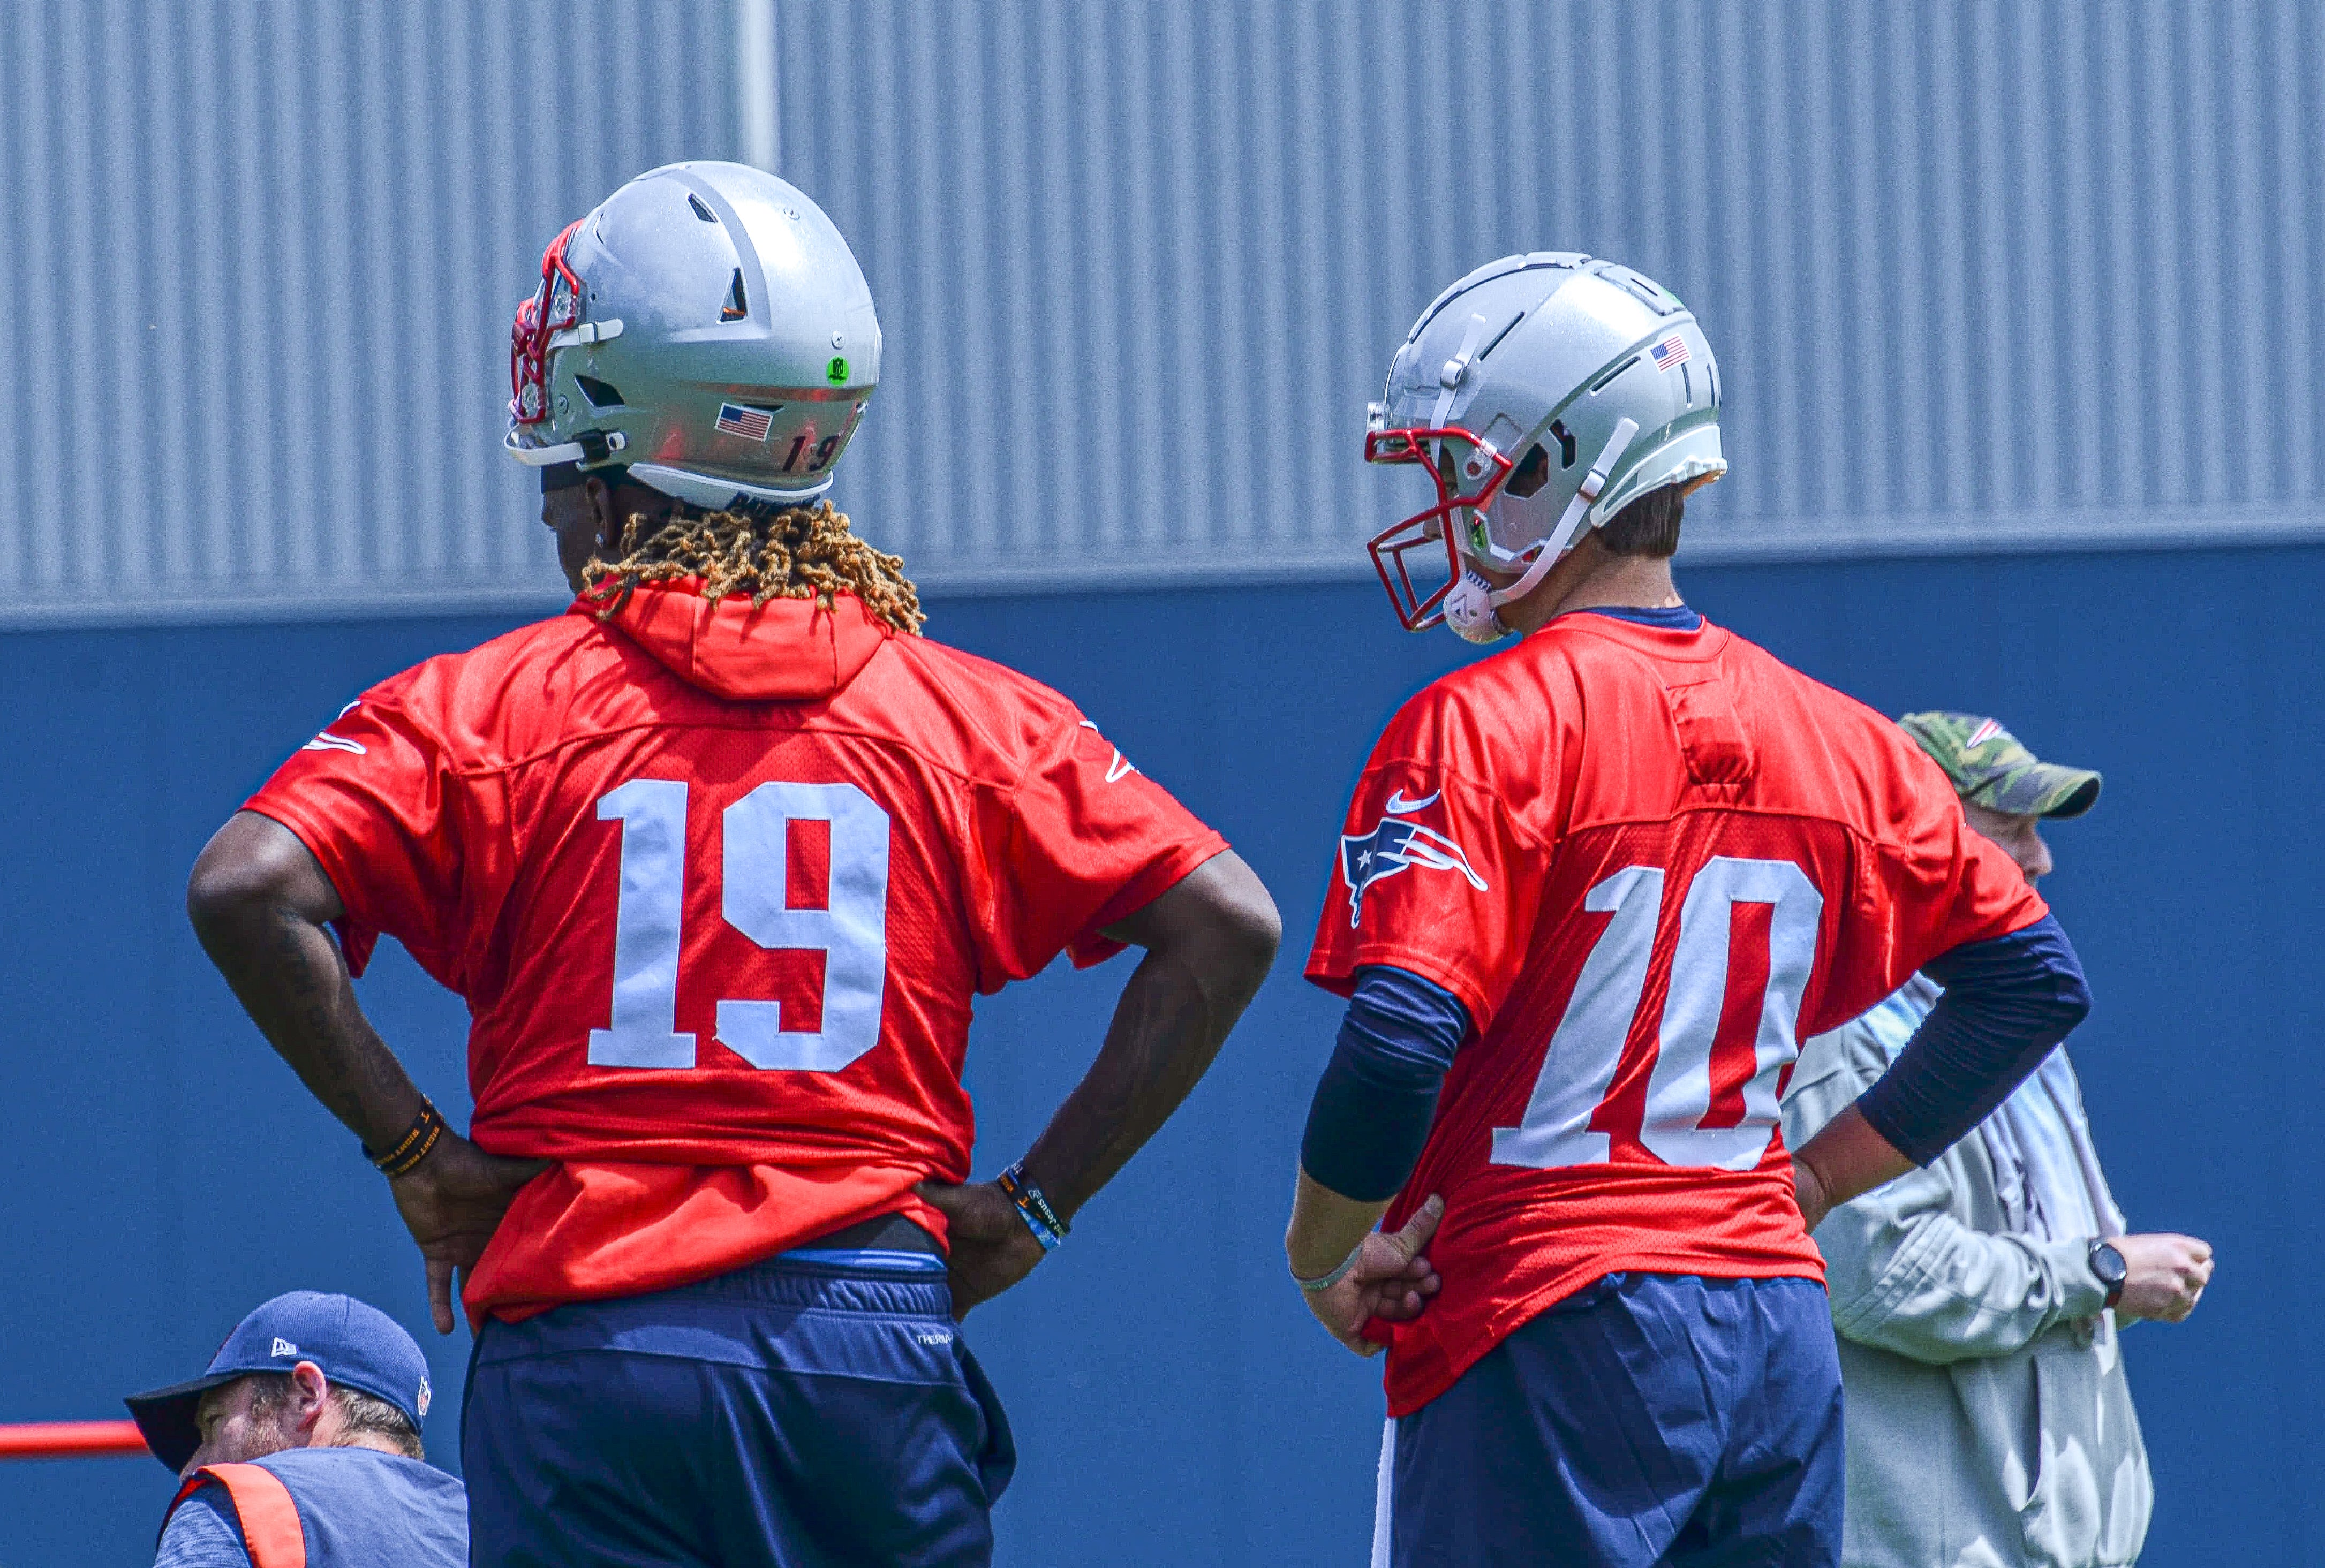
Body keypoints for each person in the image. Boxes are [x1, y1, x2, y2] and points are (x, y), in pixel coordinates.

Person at [184, 161, 1279, 1567]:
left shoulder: (489, 709)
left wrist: (418, 1156)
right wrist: (1034, 1206)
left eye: (565, 477)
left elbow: (245, 883)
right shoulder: (969, 721)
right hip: (862, 1347)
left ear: (614, 468)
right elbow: (1224, 923)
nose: (551, 517)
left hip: (591, 1346)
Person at [1280, 254, 2094, 1567]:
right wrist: (1812, 1178)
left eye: (1461, 468)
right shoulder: (1845, 740)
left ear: (1554, 464)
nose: (1445, 508)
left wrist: (1321, 1255)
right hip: (1771, 1329)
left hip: (1543, 1313)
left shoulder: (1483, 724)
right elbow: (2029, 983)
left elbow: (1396, 1041)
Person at [1780, 713, 2214, 1567]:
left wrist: (2099, 1278)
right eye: (2009, 825)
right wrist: (2100, 1274)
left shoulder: (2005, 1014)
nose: (2038, 856)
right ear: (1915, 829)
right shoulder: (1841, 1022)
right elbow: (1878, 1277)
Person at [127, 1290, 464, 1567]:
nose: (190, 1470)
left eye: (215, 1422)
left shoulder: (233, 1505)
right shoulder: (477, 1524)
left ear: (306, 1395)